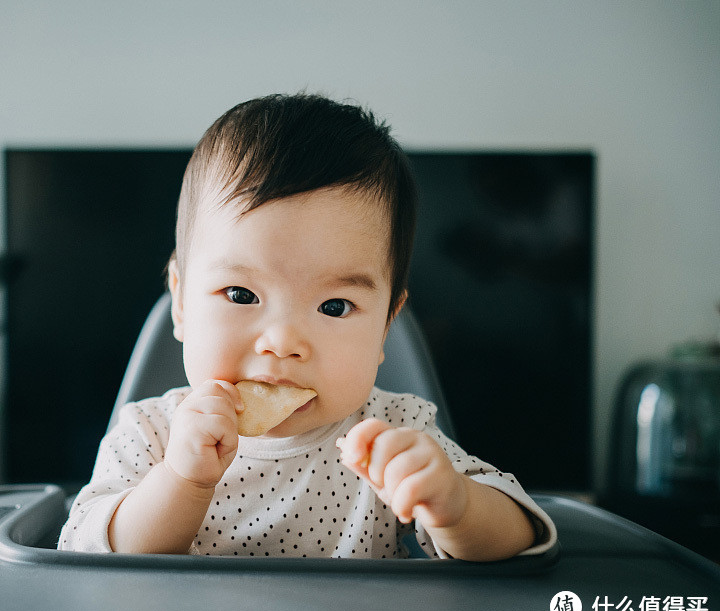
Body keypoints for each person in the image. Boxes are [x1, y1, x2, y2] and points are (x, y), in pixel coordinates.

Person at [58, 93, 556, 560]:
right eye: (241, 295)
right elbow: (86, 550)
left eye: (334, 306)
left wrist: (457, 506)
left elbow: (522, 536)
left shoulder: (391, 431)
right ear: (182, 303)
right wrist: (181, 482)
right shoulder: (152, 433)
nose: (283, 342)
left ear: (385, 328)